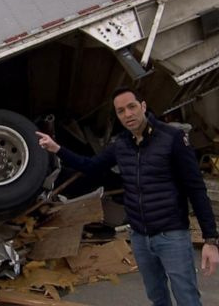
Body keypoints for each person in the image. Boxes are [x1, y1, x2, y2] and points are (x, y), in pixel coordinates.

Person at [36, 86, 219, 306]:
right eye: (121, 111)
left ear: (142, 106)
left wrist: (210, 240)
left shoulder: (172, 138)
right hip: (140, 238)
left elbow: (196, 189)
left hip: (172, 235)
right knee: (156, 296)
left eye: (131, 107)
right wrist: (57, 149)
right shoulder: (121, 144)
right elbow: (91, 166)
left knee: (186, 297)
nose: (127, 114)